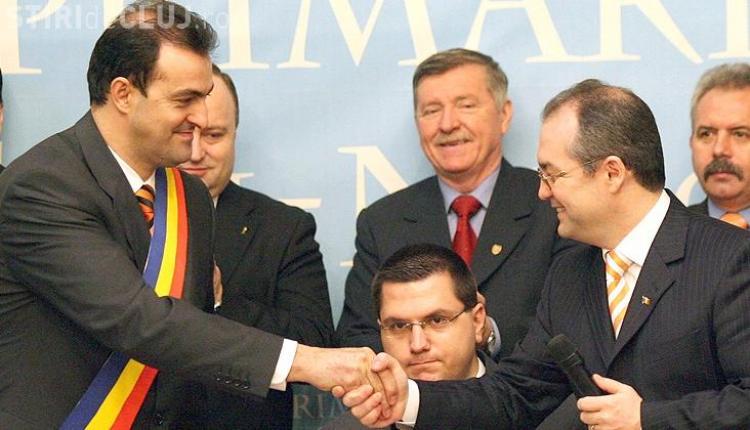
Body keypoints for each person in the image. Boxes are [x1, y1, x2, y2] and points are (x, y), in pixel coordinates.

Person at [0, 2, 393, 429]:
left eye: (203, 98)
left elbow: (190, 348)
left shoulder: (187, 194)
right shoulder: (41, 186)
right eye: (185, 99)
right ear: (123, 94)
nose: (201, 118)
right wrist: (306, 361)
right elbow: (139, 321)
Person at [343, 79, 750, 430]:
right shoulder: (570, 274)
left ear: (611, 173)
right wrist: (407, 399)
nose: (542, 192)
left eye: (552, 174)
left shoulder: (731, 259)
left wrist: (649, 419)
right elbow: (514, 394)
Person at [336, 48, 568, 359]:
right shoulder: (382, 223)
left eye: (466, 105)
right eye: (431, 110)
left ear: (504, 115)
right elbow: (355, 339)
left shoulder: (553, 205)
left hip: (530, 388)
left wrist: (488, 334)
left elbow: (575, 324)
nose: (447, 124)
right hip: (417, 390)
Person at [178, 64, 334, 429]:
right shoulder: (124, 214)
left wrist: (221, 302)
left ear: (234, 135)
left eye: (214, 134)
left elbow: (315, 342)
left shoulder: (285, 228)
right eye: (186, 133)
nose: (197, 152)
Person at [325, 243, 497, 430]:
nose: (418, 344)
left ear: (477, 321)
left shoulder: (521, 411)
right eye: (398, 326)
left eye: (437, 320)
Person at [688, 63, 750, 229]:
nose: (719, 150)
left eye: (739, 134)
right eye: (707, 134)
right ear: (691, 142)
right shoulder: (664, 233)